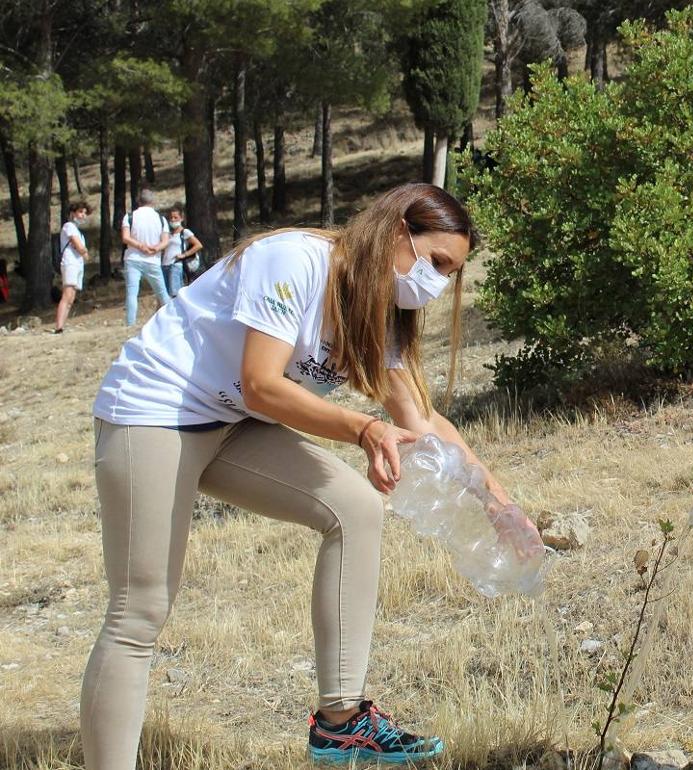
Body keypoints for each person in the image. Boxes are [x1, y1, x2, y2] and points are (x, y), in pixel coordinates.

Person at [84, 183, 538, 770]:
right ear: (399, 231)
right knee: (139, 611)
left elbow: (421, 420)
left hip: (230, 423)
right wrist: (360, 429)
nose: (440, 283)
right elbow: (262, 383)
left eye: (452, 273)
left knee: (355, 509)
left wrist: (498, 504)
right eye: (439, 263)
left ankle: (341, 725)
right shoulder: (294, 260)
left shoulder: (379, 312)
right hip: (155, 411)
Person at [120, 188, 171, 325]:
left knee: (132, 293)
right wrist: (156, 248)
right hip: (153, 260)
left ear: (138, 201)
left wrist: (140, 246)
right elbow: (165, 241)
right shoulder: (161, 219)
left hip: (133, 258)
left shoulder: (130, 216)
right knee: (162, 293)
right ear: (153, 201)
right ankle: (172, 318)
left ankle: (130, 322)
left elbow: (125, 237)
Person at [53, 200, 92, 333]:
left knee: (72, 297)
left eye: (85, 213)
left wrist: (84, 252)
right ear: (73, 213)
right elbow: (79, 246)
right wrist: (84, 251)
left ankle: (62, 324)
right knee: (67, 294)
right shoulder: (69, 226)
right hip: (70, 262)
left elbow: (82, 250)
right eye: (80, 212)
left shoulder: (78, 230)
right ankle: (58, 326)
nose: (83, 215)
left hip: (78, 264)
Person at [160, 203, 203, 297]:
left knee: (175, 293)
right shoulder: (168, 233)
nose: (173, 220)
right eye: (171, 217)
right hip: (164, 265)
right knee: (164, 294)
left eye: (175, 217)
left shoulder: (185, 232)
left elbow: (198, 245)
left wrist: (184, 255)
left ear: (181, 218)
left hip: (175, 265)